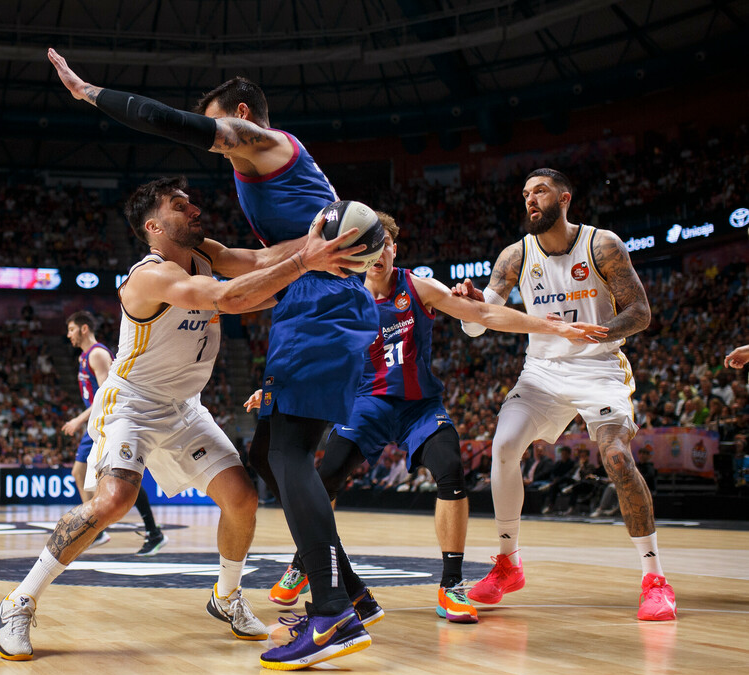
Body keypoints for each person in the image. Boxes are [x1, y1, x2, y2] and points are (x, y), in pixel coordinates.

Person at [46, 53, 380, 670]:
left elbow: (178, 125)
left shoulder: (267, 145)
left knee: (287, 456)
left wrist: (92, 93)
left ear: (242, 116)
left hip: (322, 306)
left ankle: (334, 612)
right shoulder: (261, 180)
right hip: (312, 306)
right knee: (266, 457)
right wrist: (311, 250)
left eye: (218, 126)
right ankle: (351, 591)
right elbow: (257, 262)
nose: (214, 144)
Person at [0, 176, 366, 665]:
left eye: (191, 202)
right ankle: (18, 601)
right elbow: (231, 299)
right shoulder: (147, 276)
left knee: (242, 497)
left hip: (184, 406)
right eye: (179, 205)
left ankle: (226, 598)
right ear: (153, 225)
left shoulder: (205, 252)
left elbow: (256, 261)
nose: (193, 209)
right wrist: (305, 262)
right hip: (132, 401)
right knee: (115, 497)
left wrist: (318, 242)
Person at [250, 211, 606, 624]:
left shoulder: (418, 287)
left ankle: (451, 585)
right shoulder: (344, 292)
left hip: (418, 406)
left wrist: (552, 327)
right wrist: (276, 387)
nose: (378, 253)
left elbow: (485, 316)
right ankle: (304, 564)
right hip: (367, 404)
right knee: (322, 478)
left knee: (451, 469)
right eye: (369, 245)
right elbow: (310, 347)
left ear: (393, 249)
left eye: (385, 244)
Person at [454, 168, 676, 621]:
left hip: (598, 366)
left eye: (540, 192)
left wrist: (598, 333)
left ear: (565, 198)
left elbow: (640, 312)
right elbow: (478, 326)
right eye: (525, 194)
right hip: (542, 370)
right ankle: (507, 563)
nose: (530, 200)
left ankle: (654, 577)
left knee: (616, 456)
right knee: (503, 446)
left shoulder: (602, 245)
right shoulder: (514, 256)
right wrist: (471, 305)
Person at [61, 310, 168, 555]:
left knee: (119, 476)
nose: (68, 335)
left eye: (71, 329)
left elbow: (106, 395)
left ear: (84, 328)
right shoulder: (85, 356)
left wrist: (79, 419)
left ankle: (146, 531)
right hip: (99, 421)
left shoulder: (97, 354)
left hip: (107, 420)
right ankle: (99, 530)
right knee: (88, 474)